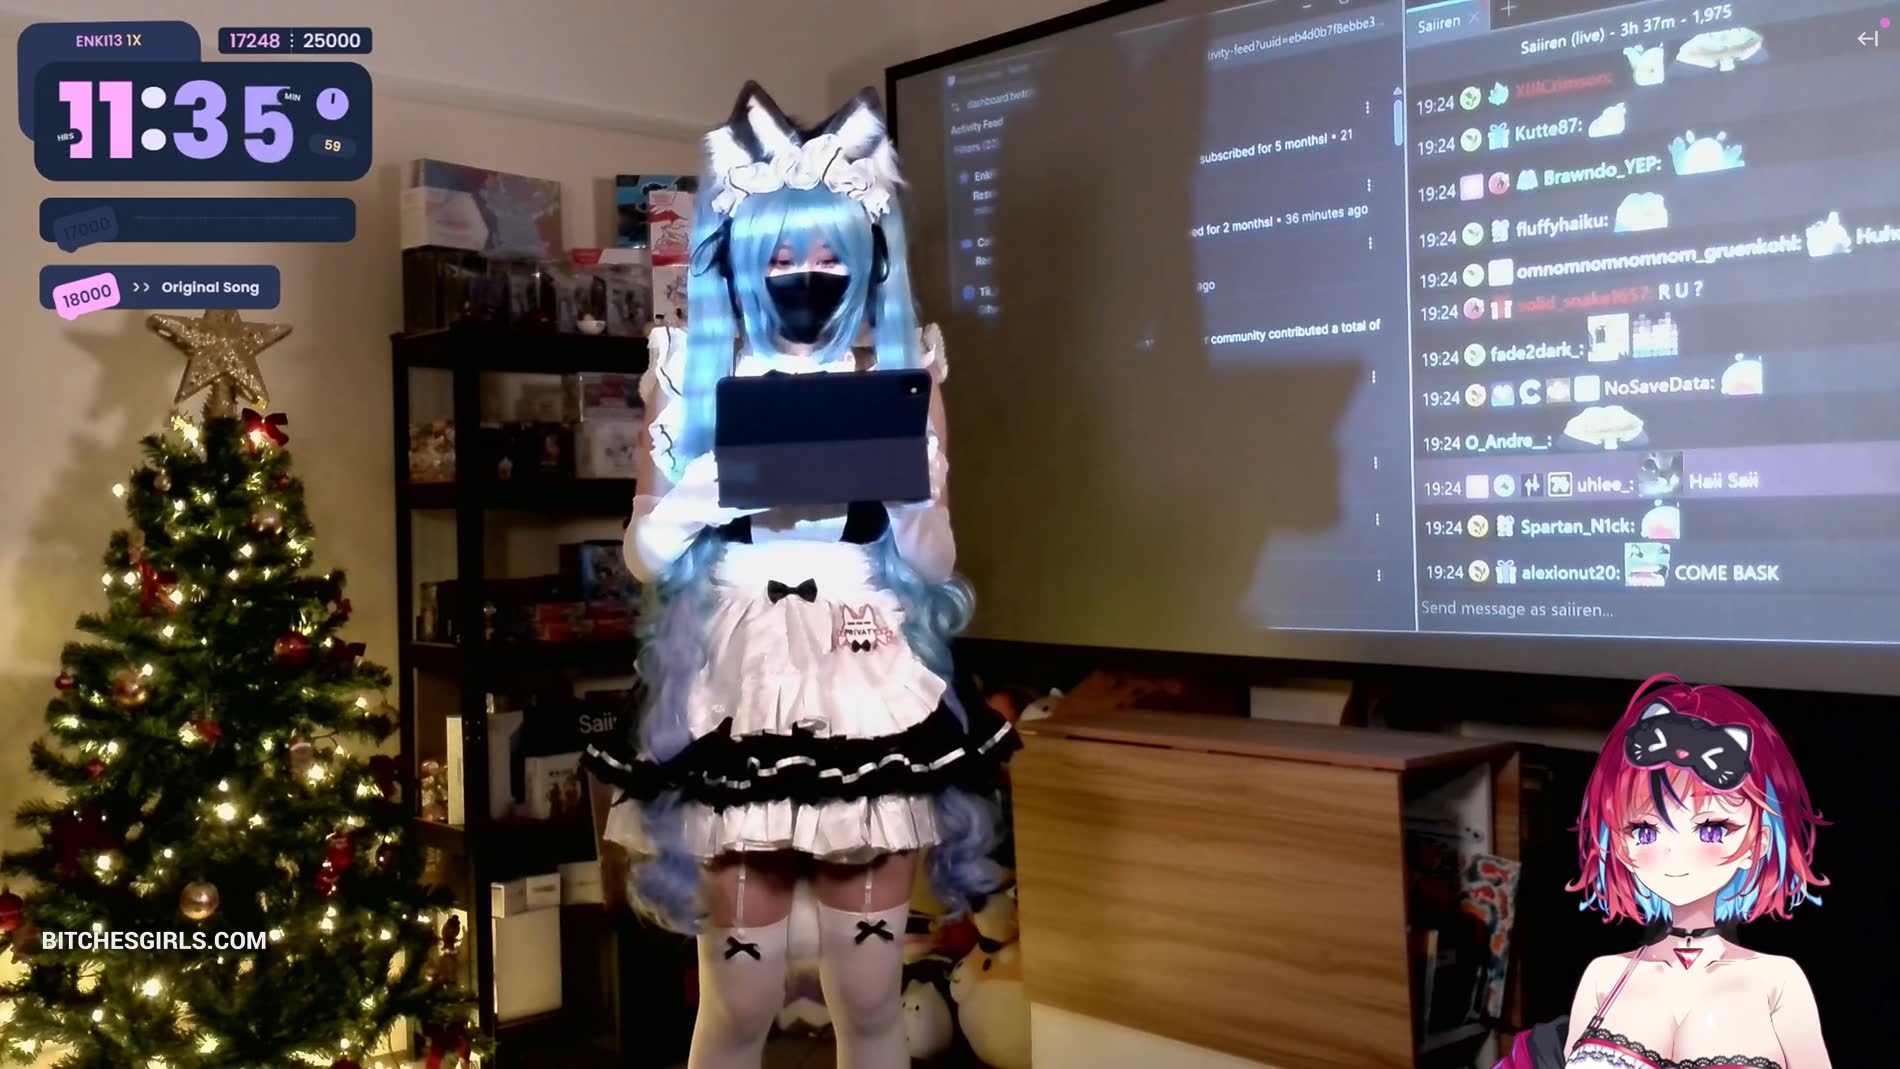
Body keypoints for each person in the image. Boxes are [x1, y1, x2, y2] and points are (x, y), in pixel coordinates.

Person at [584, 82, 1017, 1069]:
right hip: (736, 680)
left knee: (868, 993)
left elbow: (935, 564)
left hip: (868, 676)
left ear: (863, 263)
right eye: (783, 258)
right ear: (743, 262)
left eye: (829, 257)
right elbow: (644, 554)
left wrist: (913, 496)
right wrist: (706, 489)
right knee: (740, 997)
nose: (808, 278)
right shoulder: (690, 374)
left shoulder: (903, 373)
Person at [1551, 675, 1830, 1068]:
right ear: (1618, 843)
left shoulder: (1778, 982)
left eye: (1712, 830)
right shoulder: (1603, 976)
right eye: (1645, 831)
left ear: (1759, 842)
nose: (1674, 855)